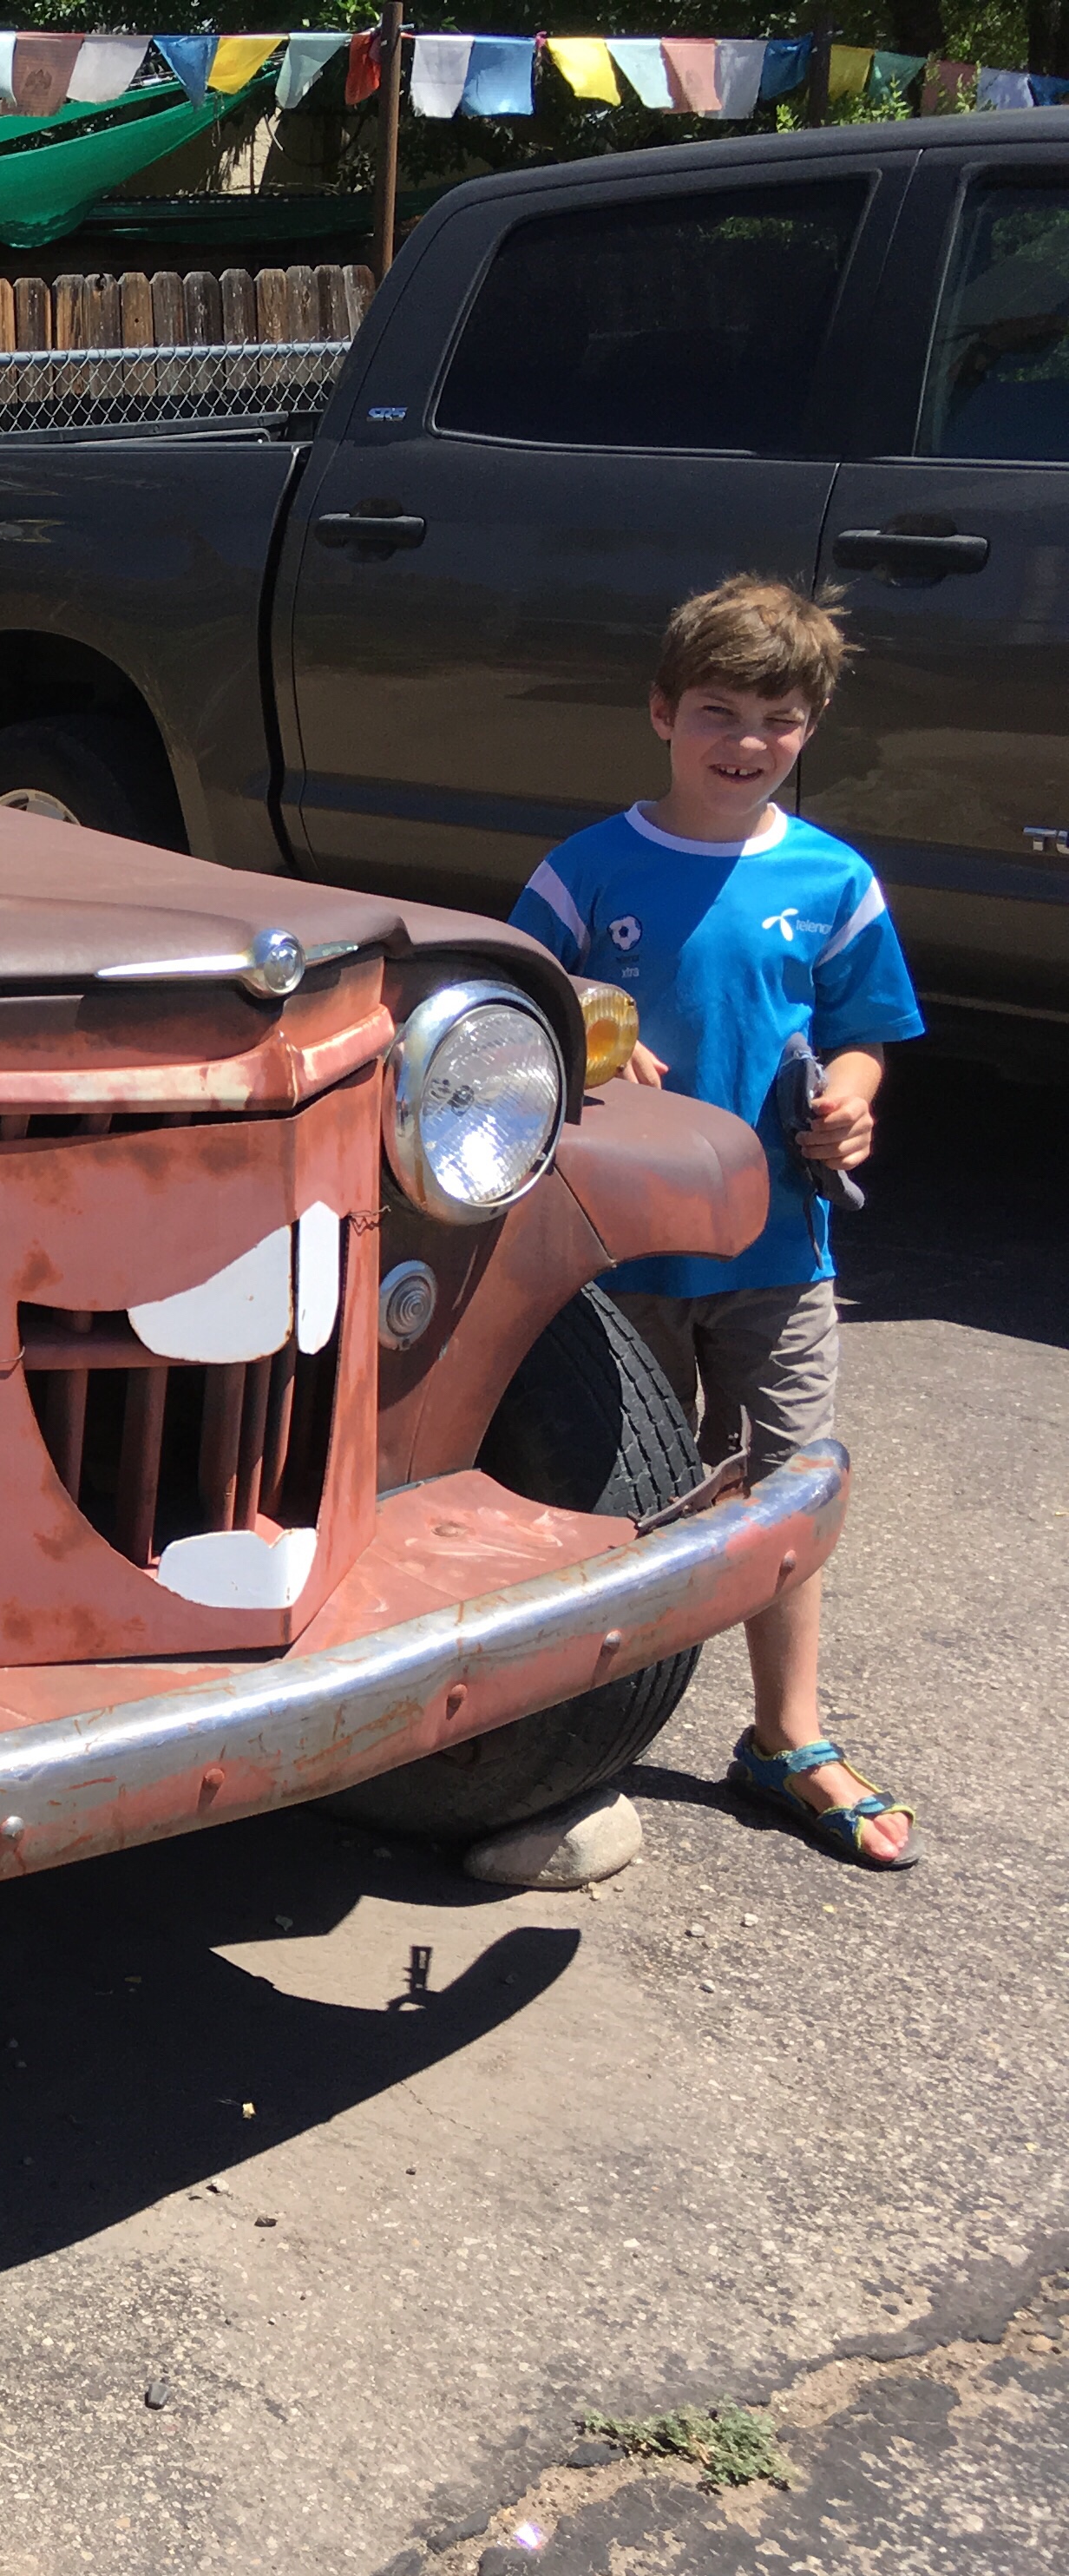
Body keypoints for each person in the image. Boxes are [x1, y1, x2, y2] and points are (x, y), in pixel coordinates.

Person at [510, 575, 927, 1870]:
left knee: (783, 1491)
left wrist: (851, 1105)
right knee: (613, 1501)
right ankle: (573, 1740)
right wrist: (589, 1033)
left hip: (779, 1253)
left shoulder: (833, 879)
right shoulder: (588, 870)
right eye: (718, 711)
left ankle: (786, 1735)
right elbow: (518, 1012)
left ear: (812, 729)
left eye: (778, 719)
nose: (746, 742)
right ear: (661, 713)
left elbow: (862, 1036)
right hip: (621, 1254)